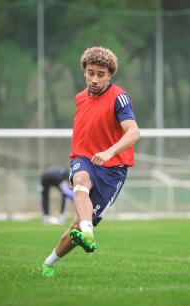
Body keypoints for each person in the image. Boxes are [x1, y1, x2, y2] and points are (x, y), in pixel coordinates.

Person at [40, 47, 140, 278]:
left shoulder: (119, 97)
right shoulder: (80, 98)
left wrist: (108, 152)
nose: (94, 79)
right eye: (90, 73)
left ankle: (50, 262)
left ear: (110, 75)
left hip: (113, 170)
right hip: (83, 158)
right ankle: (88, 229)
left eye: (101, 74)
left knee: (76, 226)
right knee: (81, 179)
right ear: (84, 71)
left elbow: (133, 132)